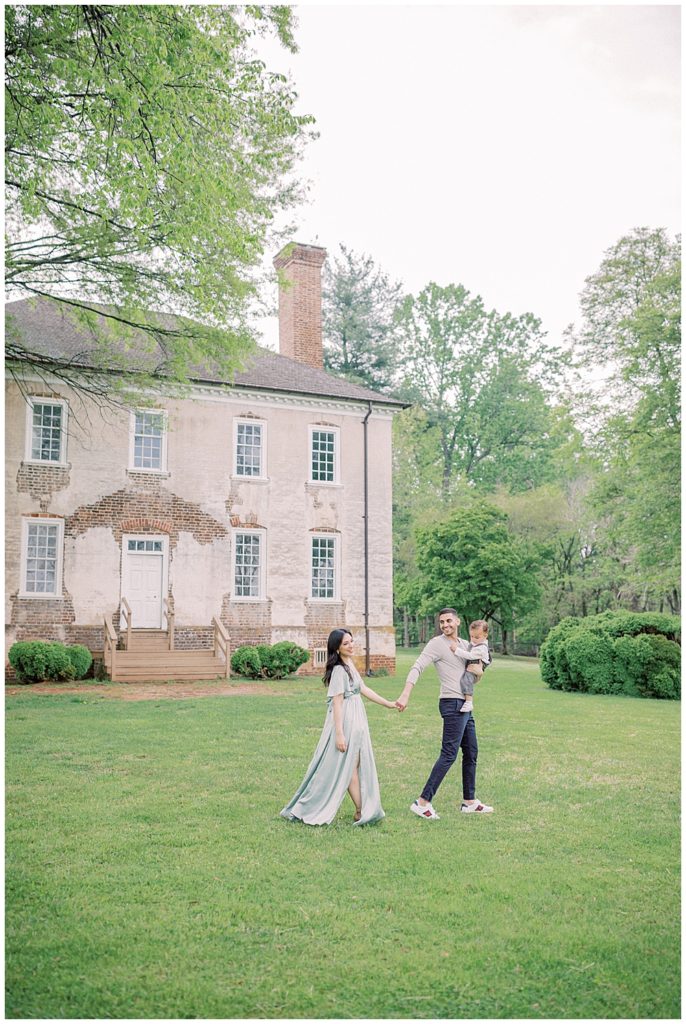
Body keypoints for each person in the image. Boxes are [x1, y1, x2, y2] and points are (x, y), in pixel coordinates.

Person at [280, 628, 397, 826]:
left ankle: (361, 810)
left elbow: (364, 689)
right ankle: (360, 810)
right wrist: (340, 735)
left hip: (358, 716)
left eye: (351, 641)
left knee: (355, 763)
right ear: (337, 648)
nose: (351, 645)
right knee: (349, 765)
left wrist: (389, 703)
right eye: (346, 643)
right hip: (346, 720)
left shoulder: (349, 664)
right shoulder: (338, 670)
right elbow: (337, 703)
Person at [395, 608, 494, 820]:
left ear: (457, 621)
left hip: (466, 704)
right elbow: (418, 666)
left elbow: (477, 671)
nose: (445, 625)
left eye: (449, 620)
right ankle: (422, 802)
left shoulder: (468, 644)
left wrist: (479, 672)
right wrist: (405, 693)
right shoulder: (436, 644)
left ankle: (469, 801)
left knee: (472, 752)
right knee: (449, 754)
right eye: (442, 622)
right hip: (452, 703)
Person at [458, 619, 490, 714]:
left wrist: (457, 650)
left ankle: (468, 701)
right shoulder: (476, 643)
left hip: (477, 663)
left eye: (477, 637)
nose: (473, 639)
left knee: (466, 679)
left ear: (485, 636)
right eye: (471, 636)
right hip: (474, 662)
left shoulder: (481, 647)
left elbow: (470, 656)